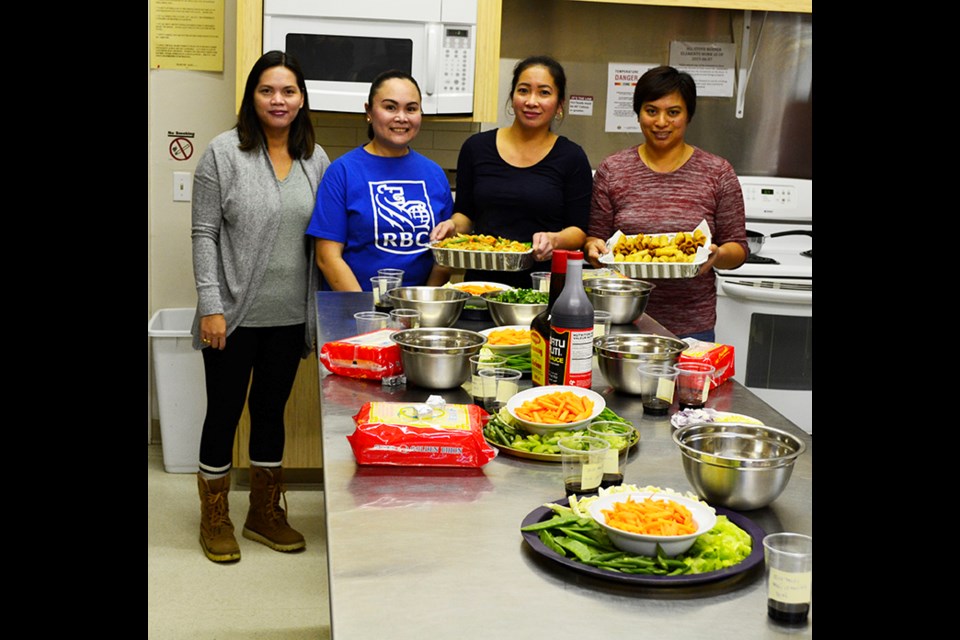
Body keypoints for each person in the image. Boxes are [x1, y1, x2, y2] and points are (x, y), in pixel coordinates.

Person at [190, 50, 330, 563]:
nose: (279, 100)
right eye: (268, 90)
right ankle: (214, 515)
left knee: (271, 413)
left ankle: (264, 511)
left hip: (290, 316)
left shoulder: (316, 159)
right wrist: (210, 304)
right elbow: (204, 232)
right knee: (223, 414)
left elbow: (324, 238)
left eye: (288, 91)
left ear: (301, 99)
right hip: (232, 314)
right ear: (252, 97)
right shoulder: (222, 153)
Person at [583, 65, 747, 341]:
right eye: (651, 111)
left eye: (673, 112)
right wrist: (593, 247)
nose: (661, 122)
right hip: (621, 319)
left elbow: (738, 248)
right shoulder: (613, 170)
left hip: (692, 324)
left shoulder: (718, 173)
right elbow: (595, 239)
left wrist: (717, 255)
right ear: (638, 113)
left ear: (688, 115)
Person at [429, 55, 593, 289]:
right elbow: (465, 214)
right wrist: (453, 227)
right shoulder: (476, 148)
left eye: (544, 93)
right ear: (512, 96)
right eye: (524, 90)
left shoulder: (572, 157)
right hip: (481, 286)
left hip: (544, 287)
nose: (532, 101)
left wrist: (554, 239)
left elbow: (578, 231)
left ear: (559, 104)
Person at [306, 70, 453, 290]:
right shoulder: (342, 172)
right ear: (369, 112)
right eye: (390, 107)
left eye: (411, 109)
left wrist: (424, 303)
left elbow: (445, 254)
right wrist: (368, 315)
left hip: (415, 313)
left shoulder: (434, 174)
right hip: (354, 313)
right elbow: (327, 258)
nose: (401, 117)